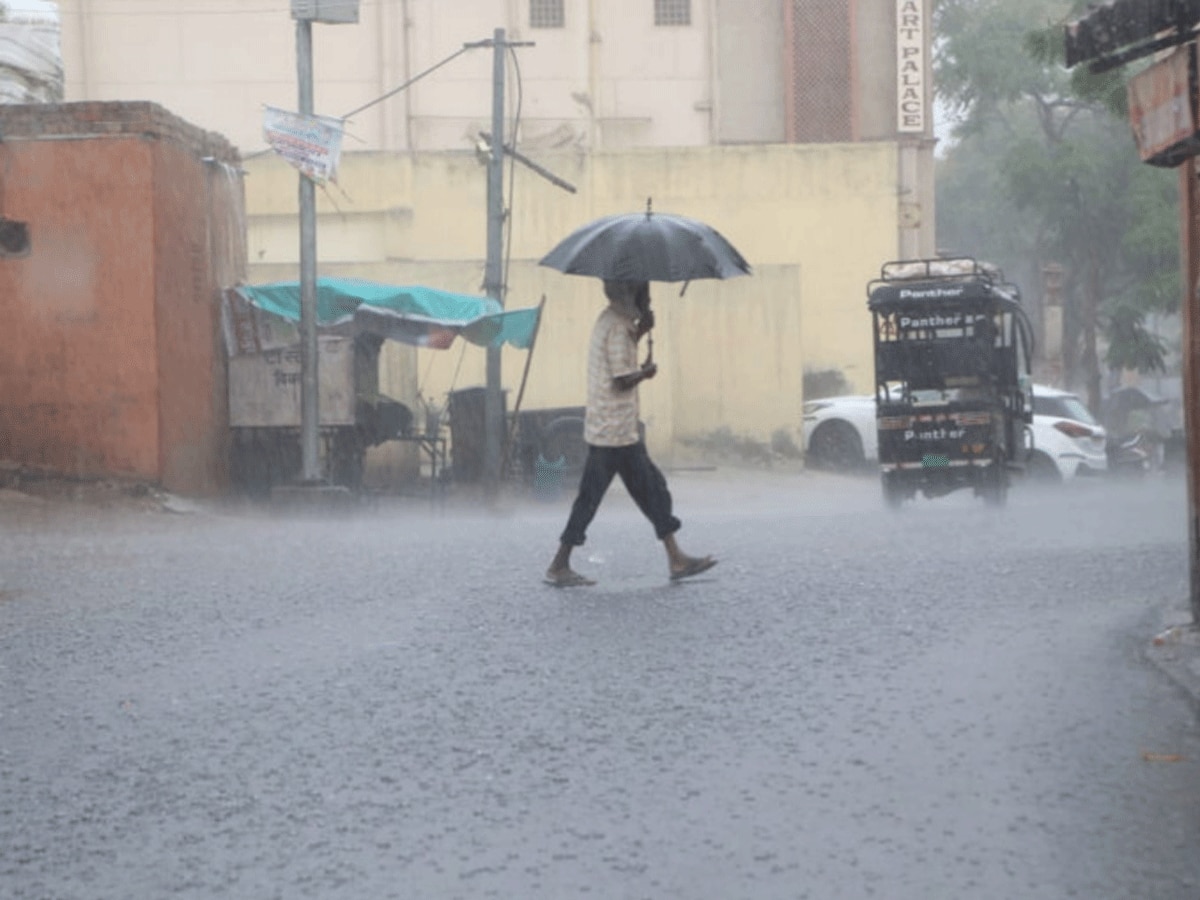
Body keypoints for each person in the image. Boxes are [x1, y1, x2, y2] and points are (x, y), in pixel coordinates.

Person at [544, 279, 716, 587]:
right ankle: (561, 564)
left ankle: (673, 556)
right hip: (615, 434)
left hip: (611, 430)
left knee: (641, 492)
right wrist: (646, 374)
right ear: (630, 294)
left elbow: (619, 357)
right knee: (645, 492)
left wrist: (643, 331)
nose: (647, 300)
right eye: (644, 294)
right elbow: (621, 379)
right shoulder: (620, 328)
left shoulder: (611, 320)